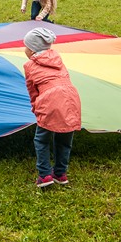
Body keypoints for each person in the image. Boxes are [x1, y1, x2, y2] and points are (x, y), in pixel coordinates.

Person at [23, 27, 82, 187]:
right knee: (64, 139)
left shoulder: (29, 65)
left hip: (50, 100)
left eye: (26, 46)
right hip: (71, 99)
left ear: (32, 49)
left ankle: (44, 175)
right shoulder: (57, 59)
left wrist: (36, 108)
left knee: (41, 139)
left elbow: (33, 91)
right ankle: (60, 174)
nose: (24, 49)